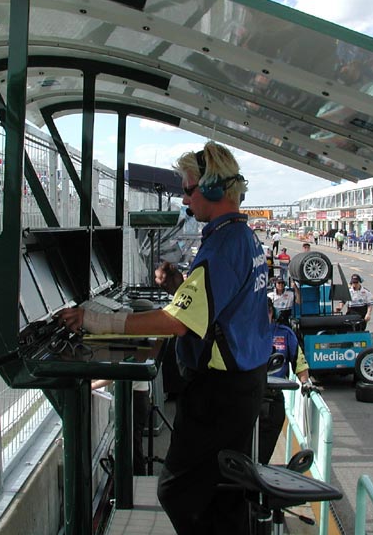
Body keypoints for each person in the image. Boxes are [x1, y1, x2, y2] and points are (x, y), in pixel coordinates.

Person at [56, 141, 270, 535]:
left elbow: (176, 323)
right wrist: (179, 284)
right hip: (244, 383)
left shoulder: (223, 245)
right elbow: (216, 305)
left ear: (210, 190)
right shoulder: (241, 237)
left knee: (178, 491)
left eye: (188, 190)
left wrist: (97, 321)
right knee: (222, 492)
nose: (185, 201)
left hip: (220, 393)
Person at [258, 297, 311, 463]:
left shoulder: (284, 333)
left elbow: (299, 361)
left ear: (271, 312)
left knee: (263, 453)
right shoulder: (243, 330)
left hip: (273, 397)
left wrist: (306, 382)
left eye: (265, 312)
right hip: (247, 396)